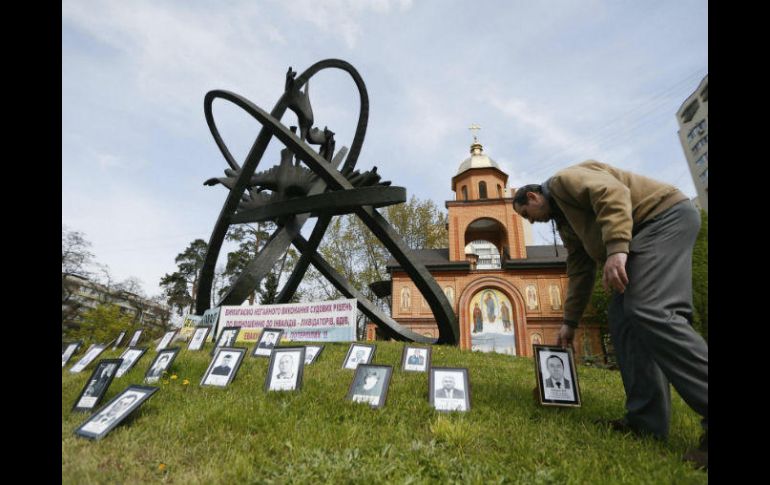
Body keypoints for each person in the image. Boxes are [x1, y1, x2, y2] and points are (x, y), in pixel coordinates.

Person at [512, 160, 708, 468]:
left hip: (661, 220)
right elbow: (579, 271)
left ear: (533, 197)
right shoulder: (567, 224)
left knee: (651, 310)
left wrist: (617, 248)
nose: (532, 221)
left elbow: (612, 192)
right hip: (639, 236)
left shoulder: (564, 181)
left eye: (527, 215)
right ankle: (646, 423)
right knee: (624, 320)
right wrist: (569, 322)